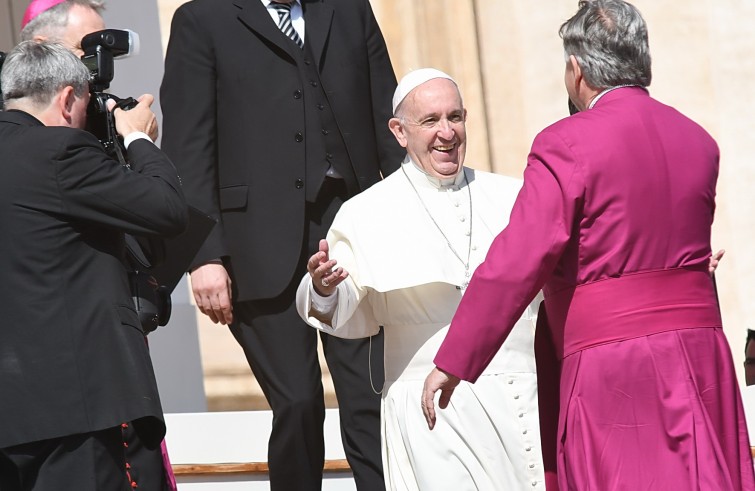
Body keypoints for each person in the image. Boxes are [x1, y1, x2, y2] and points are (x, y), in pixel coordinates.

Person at [422, 1, 755, 490]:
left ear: (576, 69)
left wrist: (455, 359)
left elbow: (519, 258)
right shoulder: (699, 139)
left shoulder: (565, 143)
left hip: (614, 364)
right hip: (700, 355)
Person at [160, 1, 403, 489]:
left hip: (352, 236)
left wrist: (413, 220)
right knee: (297, 402)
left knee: (370, 400)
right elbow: (188, 146)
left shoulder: (348, 10)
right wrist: (204, 256)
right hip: (257, 246)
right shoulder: (201, 20)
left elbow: (389, 122)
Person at [295, 68, 545, 491]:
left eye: (455, 117)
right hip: (433, 410)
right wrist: (323, 287)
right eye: (430, 121)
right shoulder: (365, 213)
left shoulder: (514, 196)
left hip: (525, 399)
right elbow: (342, 306)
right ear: (399, 131)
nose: (447, 132)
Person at [0, 40, 187, 491]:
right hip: (72, 409)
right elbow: (166, 208)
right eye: (87, 103)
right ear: (67, 100)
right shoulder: (59, 152)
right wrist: (137, 137)